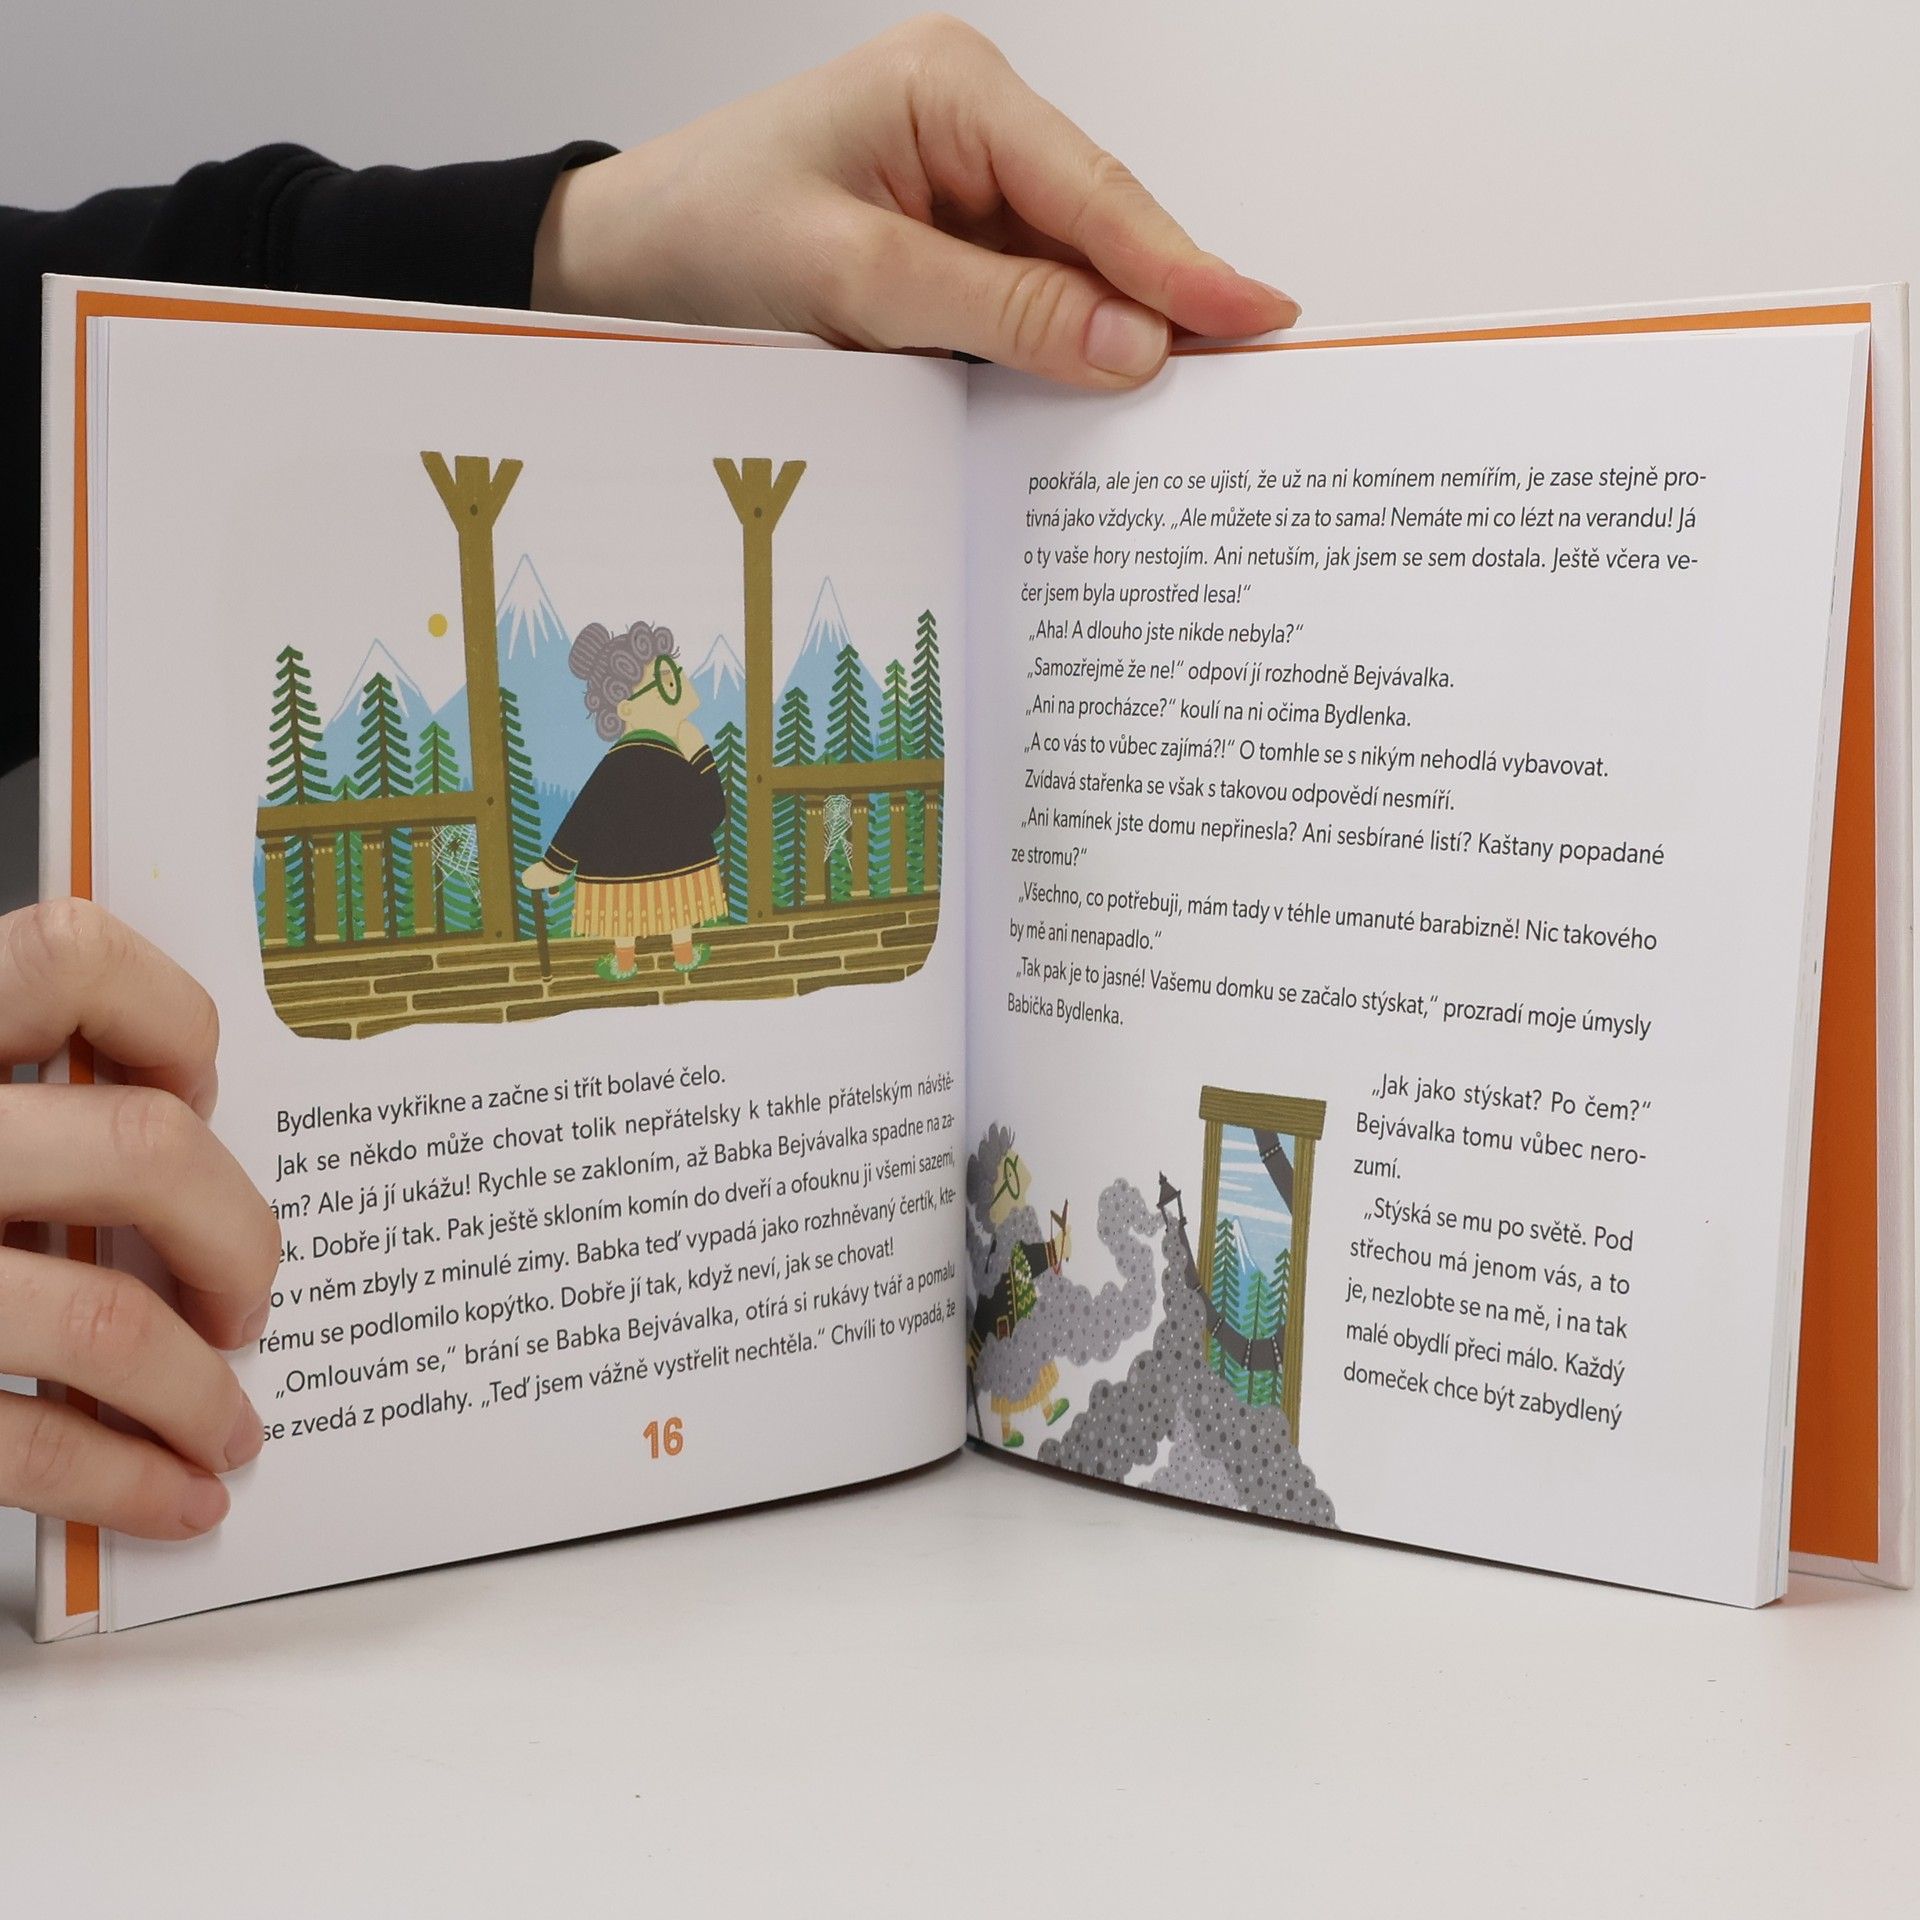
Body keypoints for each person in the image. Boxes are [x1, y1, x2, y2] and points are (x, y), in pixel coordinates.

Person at [0, 16, 1298, 1541]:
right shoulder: (635, 753)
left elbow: (122, 315)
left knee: (660, 895)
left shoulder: (666, 750)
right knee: (637, 899)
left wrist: (588, 240)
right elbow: (618, 808)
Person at [521, 623, 729, 979]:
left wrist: (556, 865)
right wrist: (699, 754)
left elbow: (583, 818)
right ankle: (676, 953)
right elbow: (711, 810)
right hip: (675, 863)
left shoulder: (626, 762)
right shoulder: (636, 763)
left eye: (675, 673)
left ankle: (628, 960)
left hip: (621, 871)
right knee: (671, 909)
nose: (680, 682)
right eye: (665, 681)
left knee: (630, 914)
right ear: (626, 709)